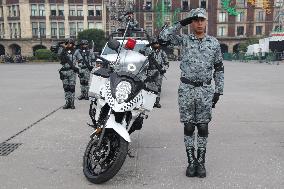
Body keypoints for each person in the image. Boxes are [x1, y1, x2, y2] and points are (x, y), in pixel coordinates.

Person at [160, 8, 224, 178]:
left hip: (205, 89)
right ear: (191, 22)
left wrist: (219, 90)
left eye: (202, 20)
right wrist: (182, 22)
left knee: (202, 126)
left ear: (206, 22)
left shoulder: (214, 43)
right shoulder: (185, 41)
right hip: (186, 89)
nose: (199, 23)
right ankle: (191, 162)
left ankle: (201, 162)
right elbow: (163, 37)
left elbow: (219, 68)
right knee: (188, 126)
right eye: (195, 20)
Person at [141, 37, 169, 108]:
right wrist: (147, 45)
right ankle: (150, 102)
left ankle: (157, 102)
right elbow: (141, 51)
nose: (156, 45)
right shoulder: (149, 51)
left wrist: (163, 69)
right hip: (150, 71)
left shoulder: (162, 53)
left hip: (159, 72)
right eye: (154, 43)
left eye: (157, 43)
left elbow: (166, 63)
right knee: (149, 87)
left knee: (158, 88)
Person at [58, 38, 82, 109]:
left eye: (70, 43)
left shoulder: (76, 51)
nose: (69, 44)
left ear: (73, 44)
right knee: (66, 87)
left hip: (72, 71)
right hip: (64, 71)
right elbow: (58, 56)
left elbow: (80, 60)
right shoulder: (62, 51)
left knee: (72, 87)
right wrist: (63, 48)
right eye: (67, 43)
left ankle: (72, 103)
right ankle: (67, 102)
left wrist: (80, 68)